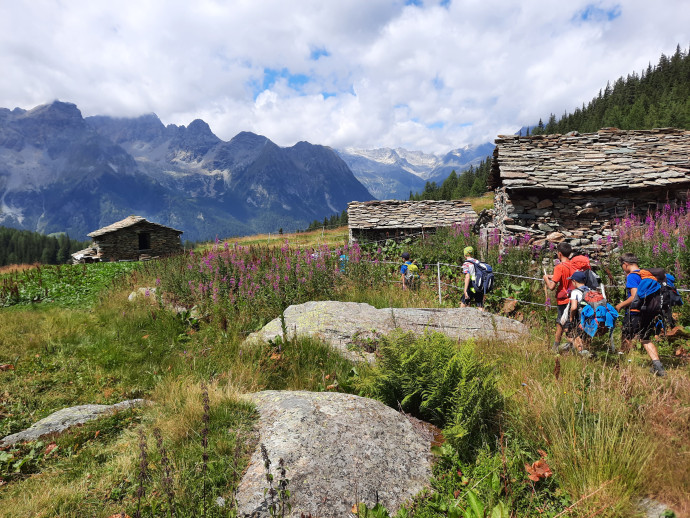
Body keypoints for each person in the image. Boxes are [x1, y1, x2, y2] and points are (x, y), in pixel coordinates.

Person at [615, 253, 666, 376]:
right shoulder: (644, 274)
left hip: (634, 312)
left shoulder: (632, 276)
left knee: (626, 338)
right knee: (645, 338)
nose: (623, 268)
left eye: (622, 265)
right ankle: (658, 367)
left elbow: (633, 297)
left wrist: (620, 305)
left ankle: (621, 365)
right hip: (647, 312)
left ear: (626, 264)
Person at [543, 242, 574, 353]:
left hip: (563, 301)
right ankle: (555, 347)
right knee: (560, 323)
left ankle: (578, 349)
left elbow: (551, 286)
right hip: (573, 299)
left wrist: (546, 278)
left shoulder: (559, 267)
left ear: (559, 254)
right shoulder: (573, 265)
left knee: (566, 328)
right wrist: (553, 276)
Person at [566, 271, 591, 356]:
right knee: (585, 337)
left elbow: (574, 307)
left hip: (579, 319)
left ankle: (582, 355)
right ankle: (587, 352)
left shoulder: (575, 292)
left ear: (574, 281)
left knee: (576, 337)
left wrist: (571, 318)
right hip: (589, 319)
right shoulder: (590, 290)